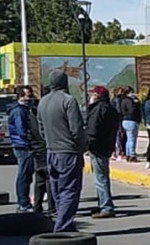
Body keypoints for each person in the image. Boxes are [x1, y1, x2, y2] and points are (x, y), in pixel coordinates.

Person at [37, 70, 87, 232]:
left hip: (51, 151)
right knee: (70, 190)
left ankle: (64, 222)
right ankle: (62, 227)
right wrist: (82, 146)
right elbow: (76, 129)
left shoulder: (43, 102)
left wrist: (51, 142)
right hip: (68, 152)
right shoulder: (68, 101)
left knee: (57, 189)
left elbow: (41, 129)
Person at [85, 86, 120, 218]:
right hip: (106, 146)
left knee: (100, 178)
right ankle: (103, 203)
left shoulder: (99, 109)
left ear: (98, 96)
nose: (90, 96)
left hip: (98, 147)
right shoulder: (110, 109)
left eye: (93, 94)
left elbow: (92, 130)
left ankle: (106, 207)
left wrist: (87, 145)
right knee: (101, 176)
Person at [7, 85, 36, 212]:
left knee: (28, 174)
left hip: (26, 145)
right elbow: (21, 130)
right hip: (23, 146)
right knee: (24, 174)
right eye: (28, 96)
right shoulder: (19, 111)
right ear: (20, 96)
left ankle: (25, 201)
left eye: (31, 95)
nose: (30, 98)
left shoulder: (28, 109)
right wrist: (30, 141)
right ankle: (23, 203)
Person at [28, 86, 56, 215]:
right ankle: (52, 207)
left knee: (39, 178)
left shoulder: (32, 112)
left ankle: (37, 206)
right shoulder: (45, 110)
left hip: (36, 147)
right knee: (49, 178)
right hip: (45, 147)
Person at [118, 86, 142, 162]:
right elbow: (131, 110)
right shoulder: (129, 101)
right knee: (132, 138)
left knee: (128, 138)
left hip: (125, 120)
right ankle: (132, 155)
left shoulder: (122, 100)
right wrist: (136, 103)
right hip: (131, 120)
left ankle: (128, 154)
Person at [112, 87, 127, 161]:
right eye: (121, 91)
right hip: (119, 119)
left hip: (118, 119)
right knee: (119, 135)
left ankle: (118, 151)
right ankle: (119, 152)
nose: (122, 93)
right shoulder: (117, 99)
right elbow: (119, 110)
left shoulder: (118, 99)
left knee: (120, 135)